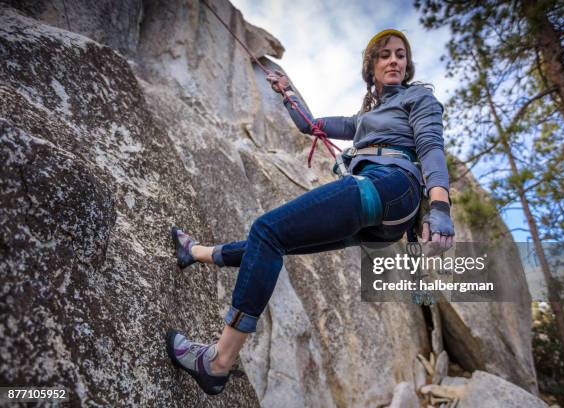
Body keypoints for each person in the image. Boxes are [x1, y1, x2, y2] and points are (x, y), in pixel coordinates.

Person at [165, 29, 454, 395]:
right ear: (372, 67)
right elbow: (311, 124)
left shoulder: (418, 98)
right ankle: (194, 253)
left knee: (268, 230)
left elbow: (430, 146)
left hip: (393, 184)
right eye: (385, 55)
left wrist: (441, 206)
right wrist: (287, 91)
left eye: (400, 54)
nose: (394, 60)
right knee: (272, 242)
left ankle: (217, 362)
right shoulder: (364, 118)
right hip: (381, 216)